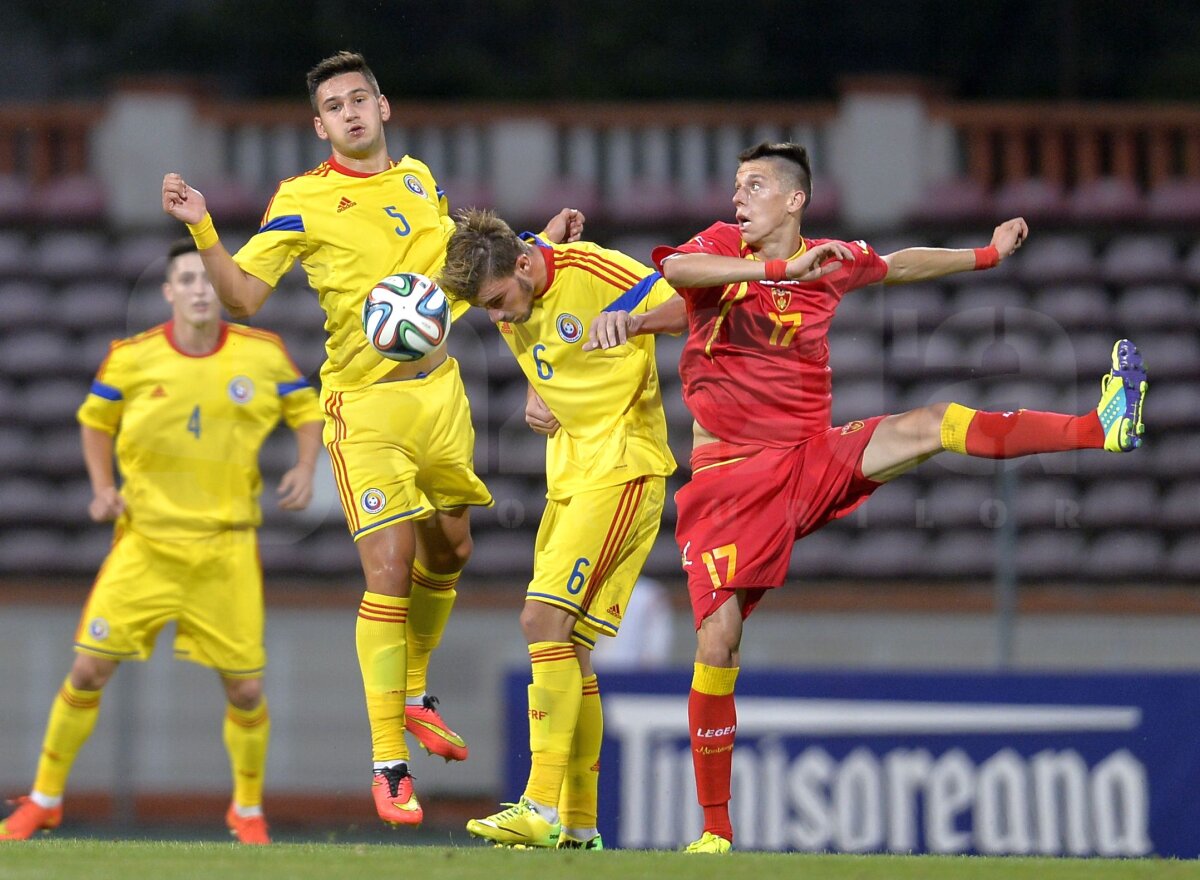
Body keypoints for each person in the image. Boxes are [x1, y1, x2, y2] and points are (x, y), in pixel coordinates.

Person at [587, 141, 1149, 853]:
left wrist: (984, 255)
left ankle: (1100, 428)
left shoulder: (830, 259)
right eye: (736, 185)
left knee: (932, 423)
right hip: (730, 478)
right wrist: (677, 306)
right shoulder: (728, 245)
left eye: (754, 186)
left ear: (794, 200)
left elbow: (899, 263)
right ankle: (716, 833)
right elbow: (680, 274)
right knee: (719, 639)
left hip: (809, 459)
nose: (738, 198)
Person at [161, 51, 583, 827]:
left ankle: (414, 692)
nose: (350, 113)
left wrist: (537, 245)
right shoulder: (301, 200)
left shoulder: (420, 180)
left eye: (360, 99)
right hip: (365, 409)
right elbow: (244, 297)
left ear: (383, 107)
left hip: (441, 396)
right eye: (334, 106)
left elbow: (465, 273)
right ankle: (389, 764)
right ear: (319, 125)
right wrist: (203, 228)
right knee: (389, 568)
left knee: (450, 552)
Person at [0, 239, 323, 844]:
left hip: (226, 546)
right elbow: (95, 422)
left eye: (208, 279)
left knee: (246, 687)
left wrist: (306, 467)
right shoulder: (130, 358)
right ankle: (43, 800)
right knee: (88, 669)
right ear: (169, 292)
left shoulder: (263, 354)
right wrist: (103, 489)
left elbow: (307, 411)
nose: (200, 289)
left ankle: (248, 810)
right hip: (146, 543)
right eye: (187, 280)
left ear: (222, 289)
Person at [437, 209, 717, 850]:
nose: (499, 318)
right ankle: (581, 828)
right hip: (568, 475)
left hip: (622, 466)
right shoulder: (518, 268)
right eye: (487, 309)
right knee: (571, 649)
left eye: (499, 302)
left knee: (540, 621)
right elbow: (530, 252)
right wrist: (541, 387)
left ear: (523, 267)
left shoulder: (597, 270)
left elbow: (691, 304)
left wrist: (635, 322)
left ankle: (539, 804)